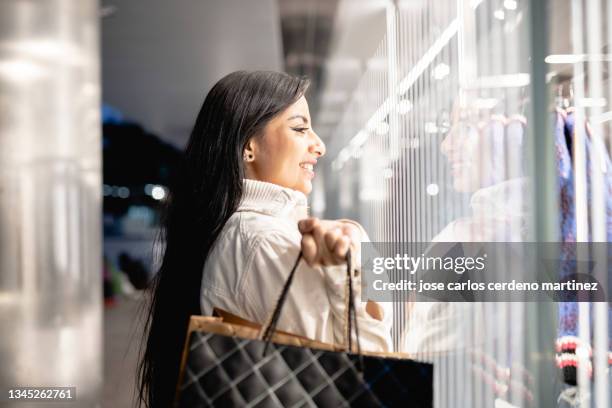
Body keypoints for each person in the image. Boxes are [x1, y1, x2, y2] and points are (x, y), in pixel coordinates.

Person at [137, 71, 392, 408]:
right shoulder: (268, 242)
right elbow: (368, 379)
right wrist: (357, 253)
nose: (319, 145)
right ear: (248, 147)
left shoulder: (236, 231)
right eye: (300, 128)